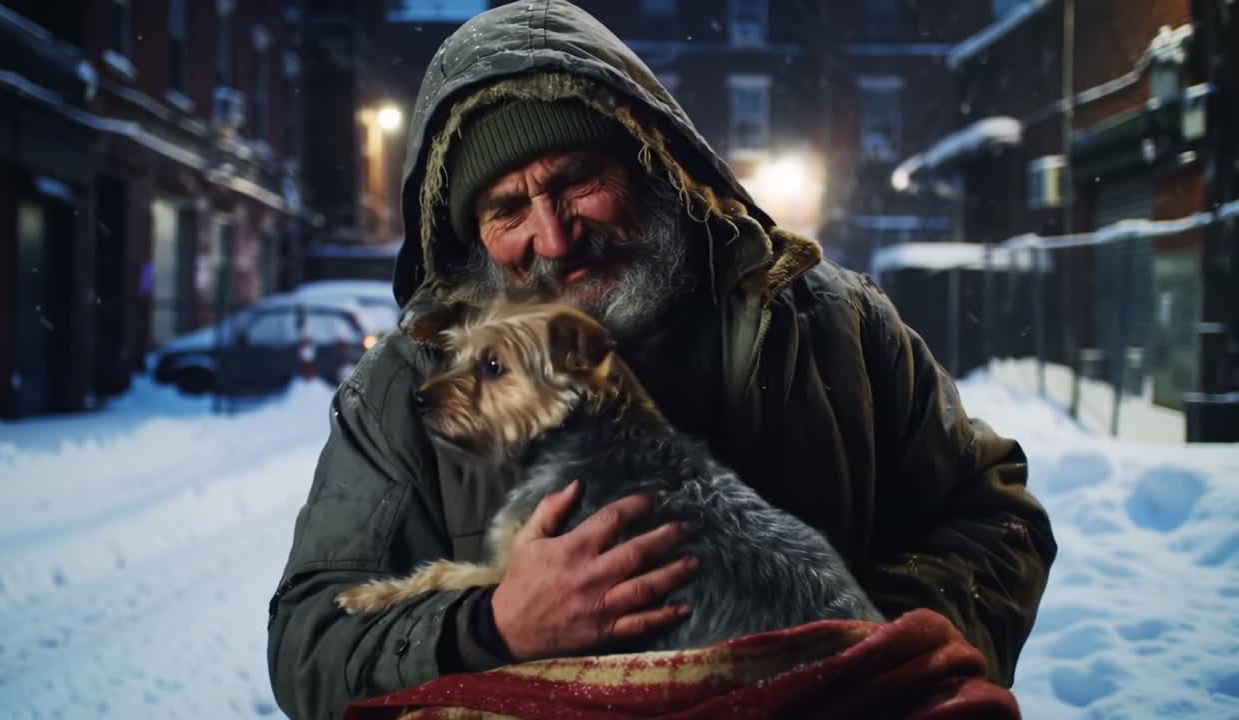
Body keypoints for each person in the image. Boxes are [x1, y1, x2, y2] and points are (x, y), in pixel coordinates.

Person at [266, 2, 1057, 717]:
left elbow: (994, 514)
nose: (554, 234)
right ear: (473, 239)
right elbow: (309, 640)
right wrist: (492, 623)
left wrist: (866, 654)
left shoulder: (833, 327)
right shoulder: (410, 388)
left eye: (576, 181)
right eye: (508, 209)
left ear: (652, 161)